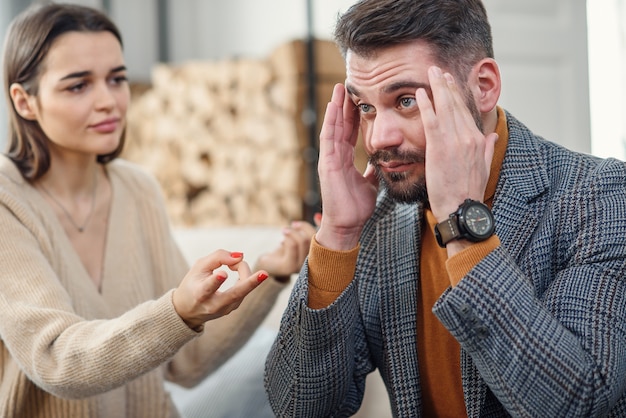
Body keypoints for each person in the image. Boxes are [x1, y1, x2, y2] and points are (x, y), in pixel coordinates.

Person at [264, 0, 626, 417]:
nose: (378, 138)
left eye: (404, 101)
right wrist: (338, 236)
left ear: (484, 85)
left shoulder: (600, 195)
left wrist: (461, 222)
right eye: (365, 107)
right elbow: (299, 407)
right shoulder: (381, 219)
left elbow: (572, 403)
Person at [0, 3, 313, 417]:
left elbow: (189, 361)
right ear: (24, 101)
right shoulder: (8, 200)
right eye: (78, 86)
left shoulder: (138, 190)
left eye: (117, 79)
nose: (108, 101)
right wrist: (179, 309)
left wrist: (271, 272)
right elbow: (57, 360)